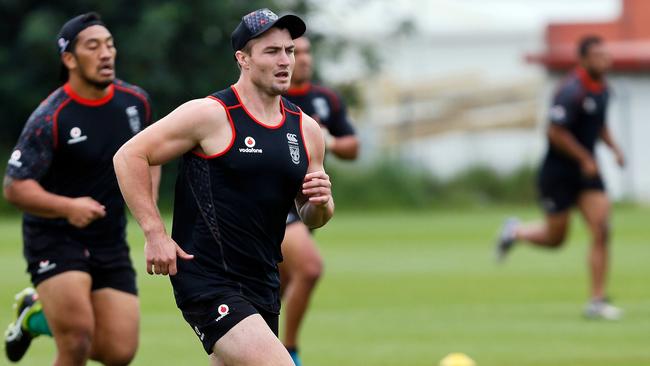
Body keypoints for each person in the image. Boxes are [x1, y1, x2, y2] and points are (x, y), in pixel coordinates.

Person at [112, 8, 333, 366]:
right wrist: (155, 233)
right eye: (271, 52)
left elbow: (312, 216)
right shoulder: (211, 114)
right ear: (243, 59)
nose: (285, 61)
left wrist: (320, 203)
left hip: (263, 281)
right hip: (207, 278)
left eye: (289, 51)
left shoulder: (305, 129)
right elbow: (129, 156)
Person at [3, 12, 158, 365]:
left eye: (109, 44)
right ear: (70, 59)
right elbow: (15, 187)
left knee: (119, 352)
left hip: (109, 239)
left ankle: (36, 317)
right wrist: (68, 207)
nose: (106, 53)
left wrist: (145, 202)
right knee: (75, 341)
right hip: (55, 237)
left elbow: (153, 153)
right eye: (93, 46)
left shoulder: (136, 102)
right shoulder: (51, 116)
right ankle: (51, 317)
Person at [495, 35, 625, 320]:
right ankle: (515, 232)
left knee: (602, 229)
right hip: (559, 173)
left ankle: (597, 301)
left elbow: (598, 125)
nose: (605, 60)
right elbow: (555, 132)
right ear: (583, 60)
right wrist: (584, 158)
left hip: (588, 174)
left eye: (607, 54)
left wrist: (614, 150)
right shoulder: (570, 91)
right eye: (598, 56)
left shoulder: (604, 90)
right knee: (556, 239)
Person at [280, 35, 359, 365]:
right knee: (310, 269)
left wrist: (329, 142)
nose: (304, 58)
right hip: (276, 205)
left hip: (307, 204)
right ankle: (290, 352)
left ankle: (246, 352)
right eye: (296, 52)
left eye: (308, 51)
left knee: (272, 292)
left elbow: (353, 147)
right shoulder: (268, 96)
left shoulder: (325, 99)